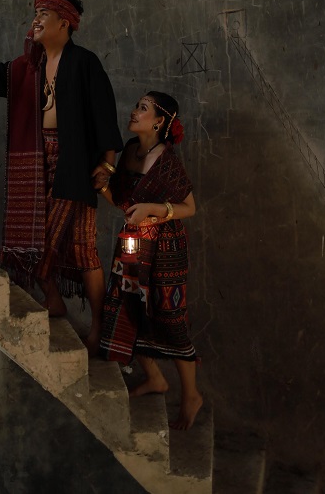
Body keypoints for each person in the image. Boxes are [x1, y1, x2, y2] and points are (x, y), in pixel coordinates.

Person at [0, 0, 123, 355]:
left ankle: (95, 326)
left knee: (51, 244)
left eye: (44, 13)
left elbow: (105, 115)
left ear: (65, 22)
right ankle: (59, 302)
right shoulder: (30, 65)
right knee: (75, 247)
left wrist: (107, 165)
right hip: (39, 156)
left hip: (75, 163)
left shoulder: (84, 62)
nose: (36, 19)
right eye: (35, 13)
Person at [99, 91, 203, 430]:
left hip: (165, 248)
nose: (134, 111)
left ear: (159, 122)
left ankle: (191, 396)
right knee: (130, 309)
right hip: (132, 244)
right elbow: (123, 202)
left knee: (169, 319)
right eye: (136, 105)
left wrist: (154, 210)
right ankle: (156, 378)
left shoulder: (166, 160)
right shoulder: (130, 150)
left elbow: (189, 207)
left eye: (142, 108)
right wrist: (102, 187)